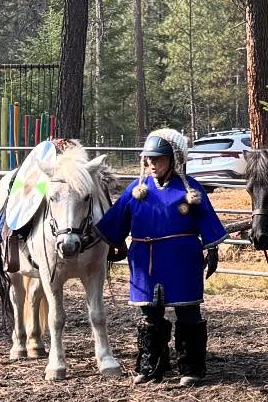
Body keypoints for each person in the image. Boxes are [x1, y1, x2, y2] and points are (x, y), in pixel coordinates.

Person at [97, 128, 226, 385]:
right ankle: (151, 366)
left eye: (159, 159)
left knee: (188, 312)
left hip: (182, 260)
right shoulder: (137, 189)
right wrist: (108, 243)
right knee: (150, 315)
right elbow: (114, 223)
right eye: (149, 159)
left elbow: (207, 221)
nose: (152, 164)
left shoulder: (189, 189)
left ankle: (191, 367)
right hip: (146, 261)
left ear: (174, 159)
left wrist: (212, 249)